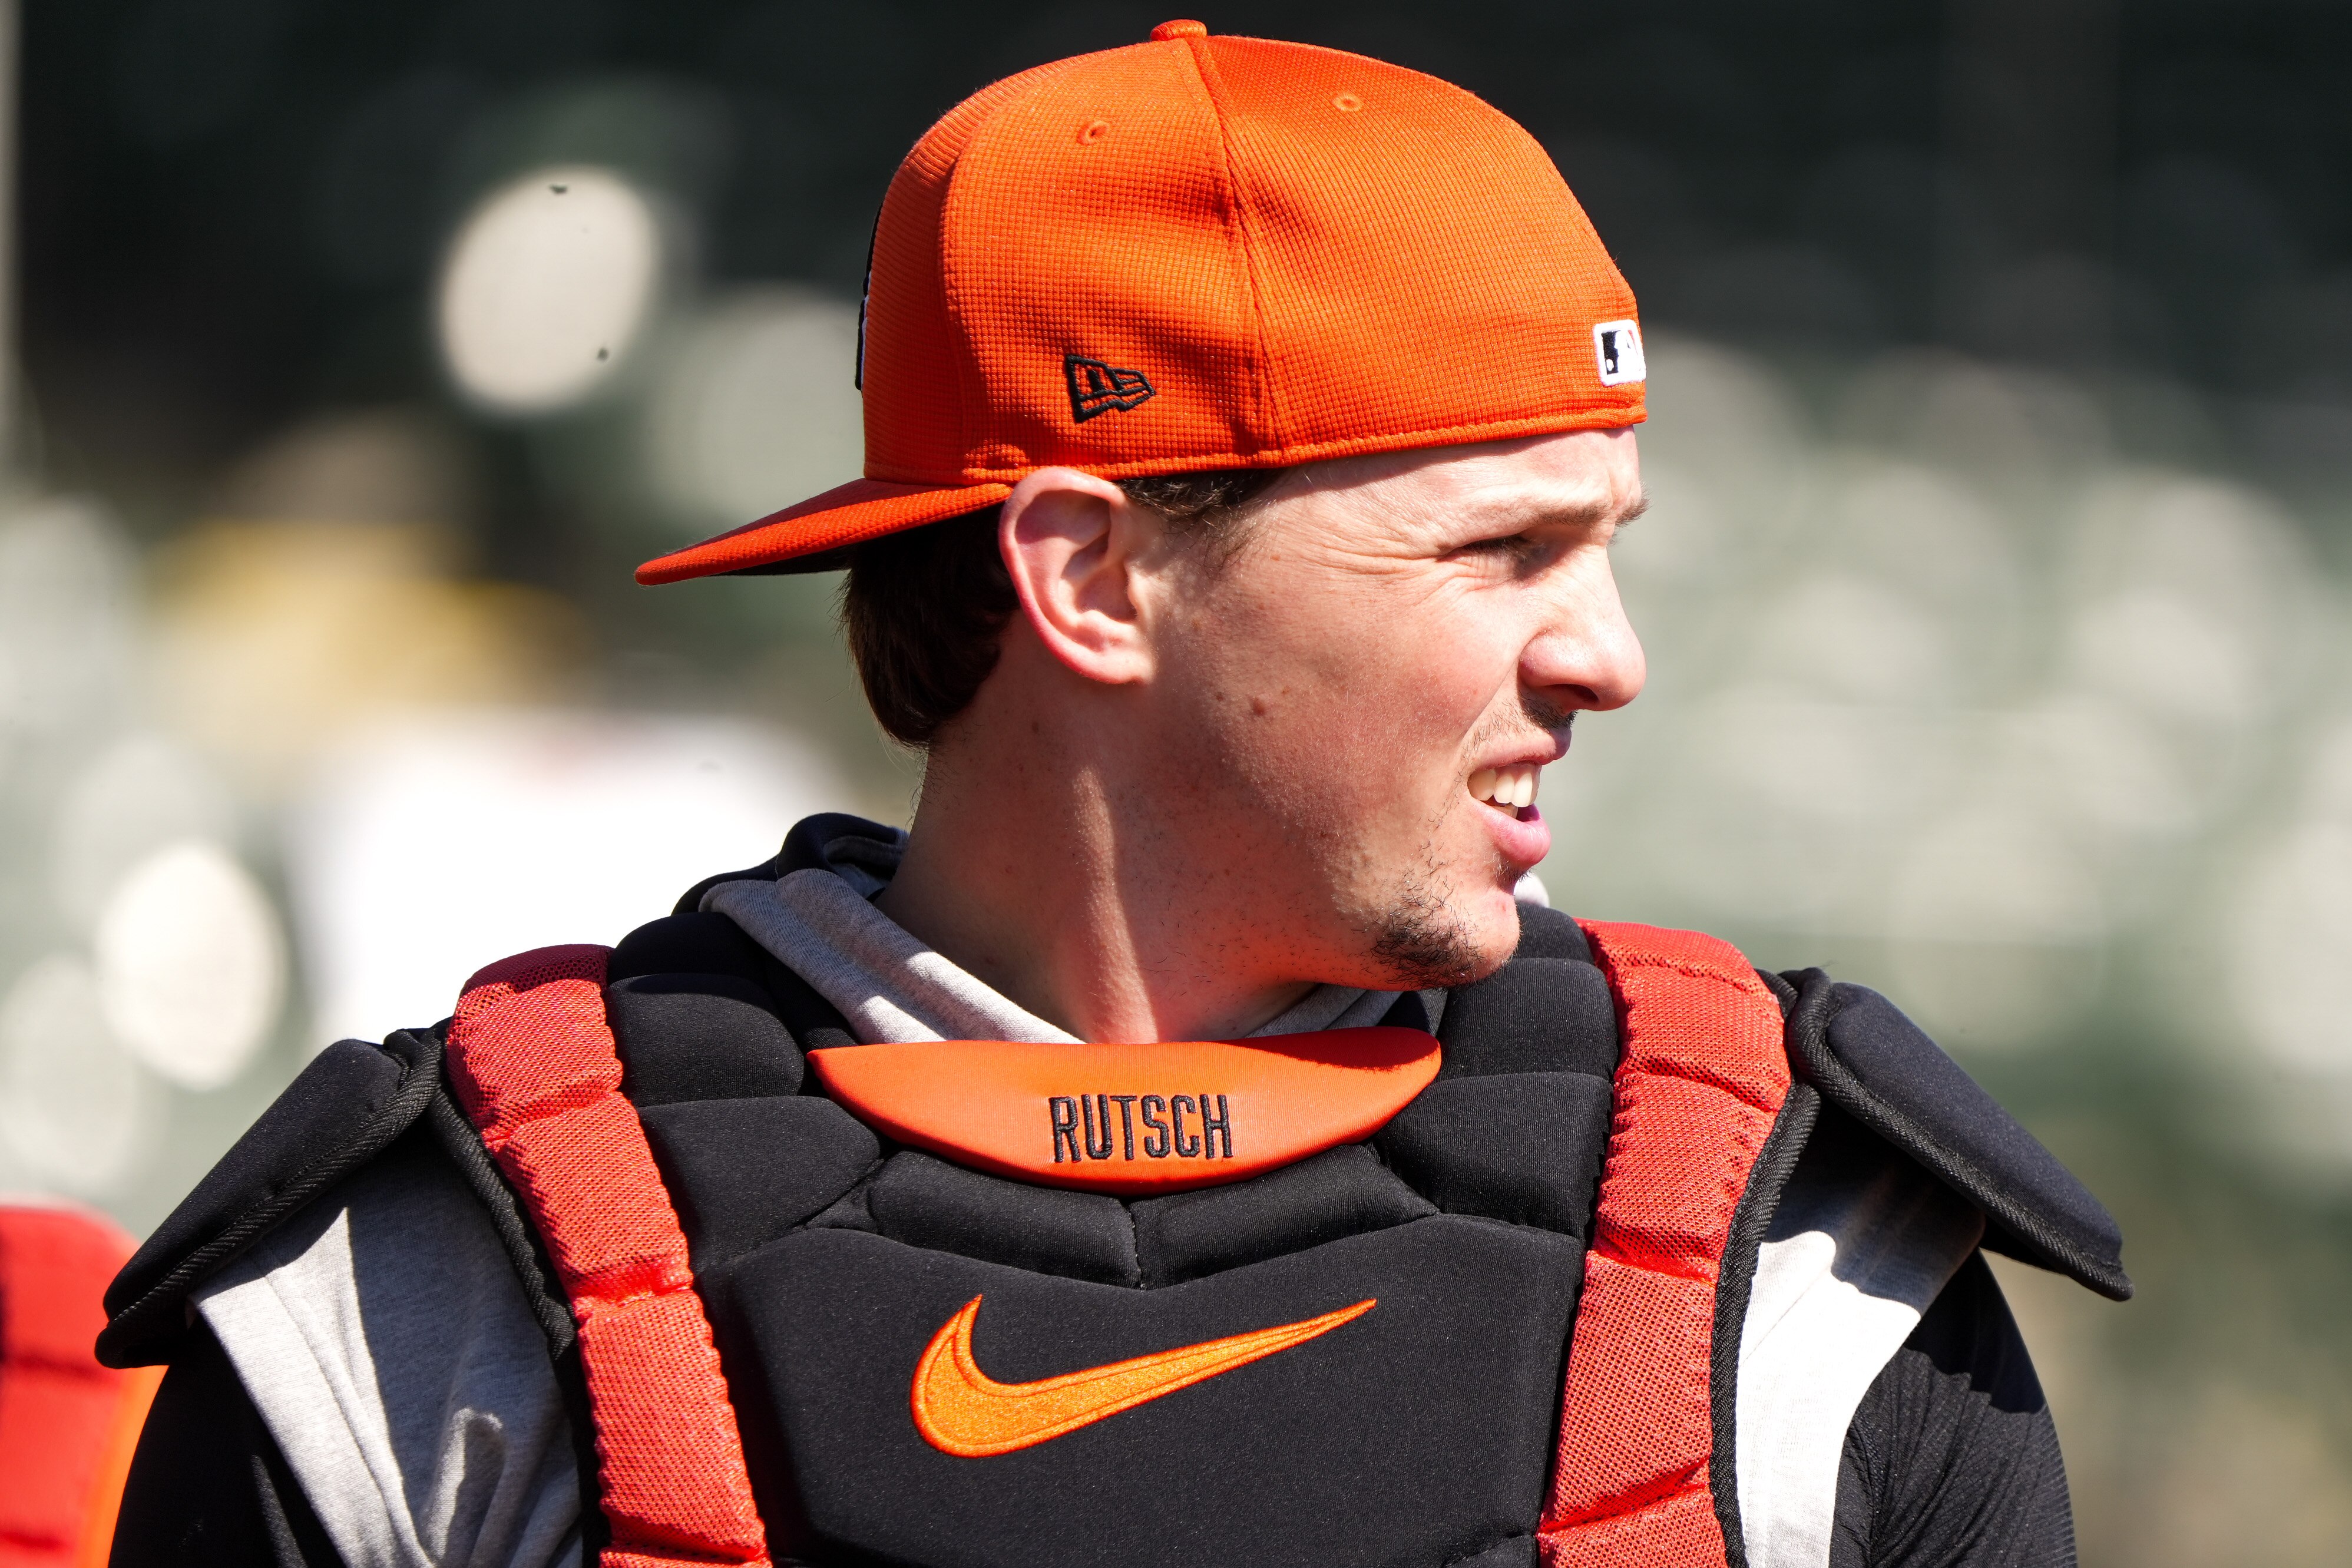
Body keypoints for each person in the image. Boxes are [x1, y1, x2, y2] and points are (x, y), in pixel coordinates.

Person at [100, 21, 2126, 1568]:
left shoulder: (1800, 1266)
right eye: (1498, 554)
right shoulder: (430, 1277)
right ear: (1088, 576)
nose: (1609, 656)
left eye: (1607, 546)